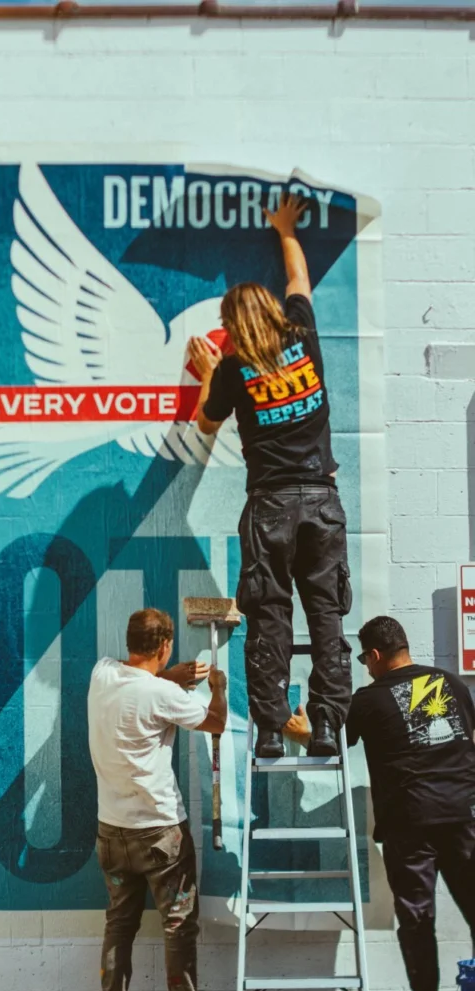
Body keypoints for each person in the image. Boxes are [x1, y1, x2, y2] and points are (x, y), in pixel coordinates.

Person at [188, 192, 351, 762]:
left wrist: (210, 373)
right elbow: (299, 278)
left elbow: (206, 424)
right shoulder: (303, 335)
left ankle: (270, 730)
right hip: (323, 500)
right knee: (326, 617)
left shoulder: (234, 369)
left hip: (271, 506)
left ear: (233, 326)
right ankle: (328, 726)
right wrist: (285, 229)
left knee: (269, 618)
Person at [284, 615, 475, 991]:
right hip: (465, 815)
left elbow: (328, 747)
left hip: (411, 822)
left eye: (366, 661)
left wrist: (302, 733)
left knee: (417, 916)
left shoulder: (370, 699)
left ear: (373, 655)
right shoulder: (451, 684)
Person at [87, 607, 234, 991]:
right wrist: (217, 688)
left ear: (129, 640)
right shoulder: (162, 696)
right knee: (178, 922)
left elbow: (139, 684)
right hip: (159, 832)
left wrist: (168, 675)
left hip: (111, 830)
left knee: (119, 921)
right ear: (165, 645)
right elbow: (216, 723)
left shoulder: (101, 674)